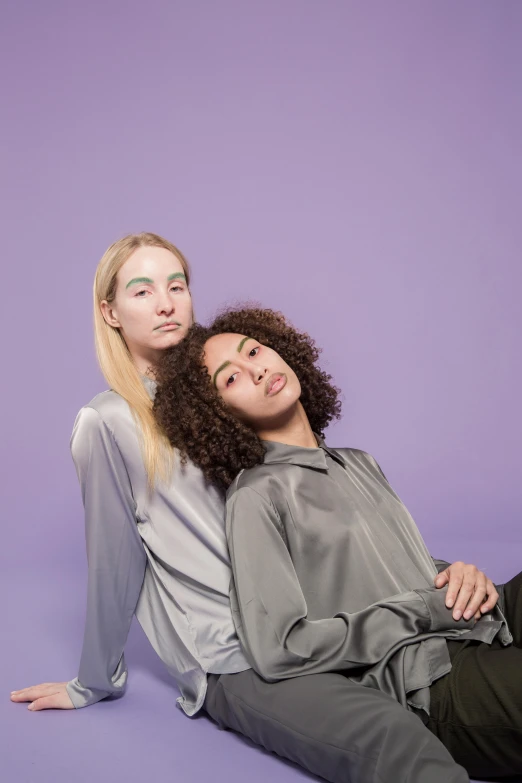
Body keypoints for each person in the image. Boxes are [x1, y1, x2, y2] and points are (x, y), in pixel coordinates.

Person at [6, 238, 481, 782]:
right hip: (238, 657)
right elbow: (114, 560)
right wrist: (96, 679)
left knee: (447, 691)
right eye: (142, 291)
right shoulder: (109, 422)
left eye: (176, 286)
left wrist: (436, 577)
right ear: (109, 311)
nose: (165, 303)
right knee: (391, 739)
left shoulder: (226, 382)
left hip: (314, 625)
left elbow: (321, 514)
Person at [152, 306, 522, 781]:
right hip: (432, 675)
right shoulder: (256, 496)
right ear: (220, 415)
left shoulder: (357, 461)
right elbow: (279, 647)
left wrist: (459, 573)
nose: (258, 367)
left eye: (254, 350)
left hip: (479, 620)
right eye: (232, 379)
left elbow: (392, 563)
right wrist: (422, 611)